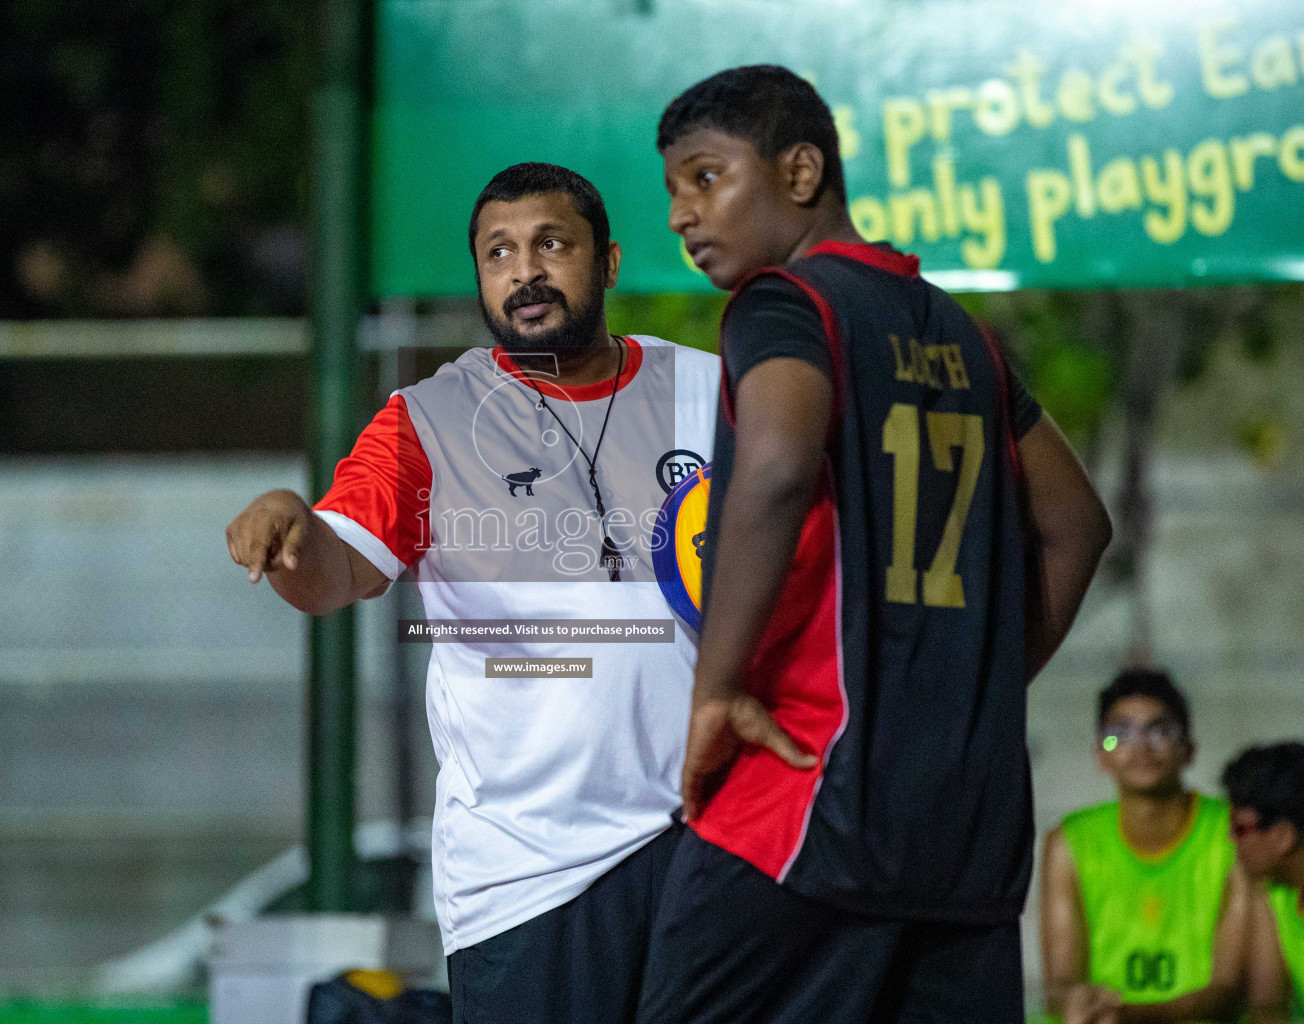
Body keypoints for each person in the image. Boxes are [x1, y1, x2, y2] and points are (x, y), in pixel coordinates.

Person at [637, 65, 1112, 1024]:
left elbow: (773, 466)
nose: (684, 215)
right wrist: (977, 685)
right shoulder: (962, 333)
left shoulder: (788, 305)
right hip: (967, 827)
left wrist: (718, 688)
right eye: (675, 192)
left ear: (800, 171)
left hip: (812, 791)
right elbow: (1077, 524)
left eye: (705, 177)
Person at [226, 162, 720, 1023]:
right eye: (498, 254)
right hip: (528, 874)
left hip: (710, 850)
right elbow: (339, 569)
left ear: (606, 263)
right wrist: (292, 530)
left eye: (550, 245)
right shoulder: (430, 418)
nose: (524, 271)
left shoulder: (714, 392)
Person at [1041, 668, 1248, 1024]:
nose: (1139, 746)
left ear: (1189, 750)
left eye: (1160, 730)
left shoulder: (1234, 832)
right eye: (1117, 735)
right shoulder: (1070, 840)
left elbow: (1229, 991)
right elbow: (1060, 985)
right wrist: (1079, 1006)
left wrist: (1131, 1015)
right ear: (1099, 755)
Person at [1223, 743, 1304, 1024]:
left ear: (1283, 837)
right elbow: (1268, 1005)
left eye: (1238, 828)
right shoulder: (1277, 894)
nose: (1229, 840)